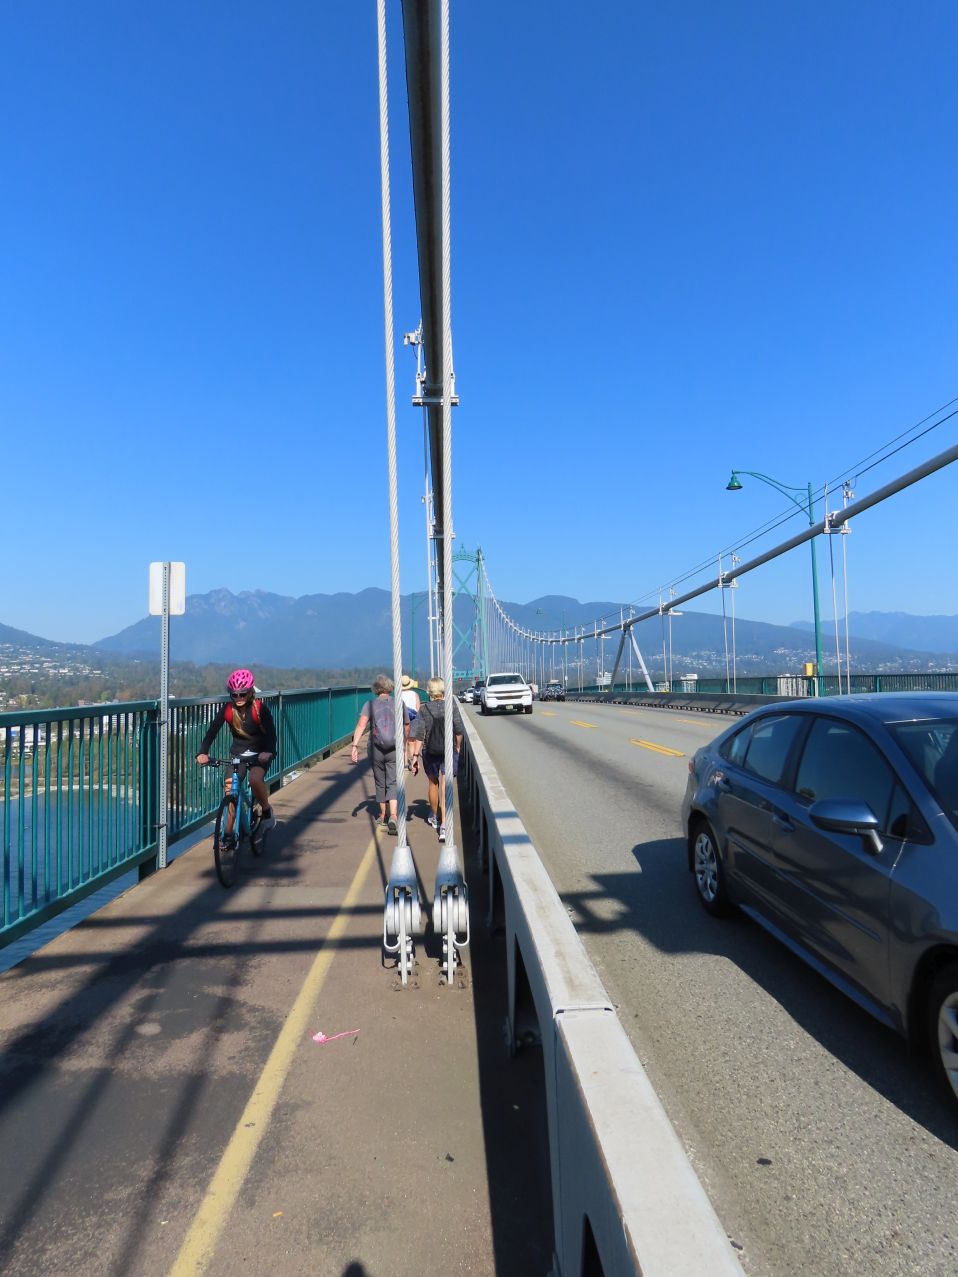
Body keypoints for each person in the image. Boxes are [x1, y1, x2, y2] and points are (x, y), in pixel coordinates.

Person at [196, 669, 277, 837]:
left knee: (255, 779)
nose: (239, 698)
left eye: (242, 694)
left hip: (260, 753)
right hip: (238, 754)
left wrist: (268, 752)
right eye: (234, 695)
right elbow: (212, 732)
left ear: (250, 693)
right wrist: (203, 752)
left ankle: (267, 810)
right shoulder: (227, 710)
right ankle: (228, 834)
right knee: (230, 788)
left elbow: (271, 734)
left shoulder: (260, 709)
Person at [350, 675, 410, 834]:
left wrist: (355, 746)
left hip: (376, 748)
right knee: (393, 780)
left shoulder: (369, 704)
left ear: (376, 689)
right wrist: (404, 745)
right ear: (390, 688)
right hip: (394, 747)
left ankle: (383, 815)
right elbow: (406, 725)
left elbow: (361, 725)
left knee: (380, 781)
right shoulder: (399, 703)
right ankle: (394, 816)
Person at [417, 676, 463, 842]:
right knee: (445, 785)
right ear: (443, 689)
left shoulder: (423, 709)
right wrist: (457, 747)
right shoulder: (451, 706)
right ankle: (444, 826)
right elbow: (458, 729)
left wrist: (414, 755)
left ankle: (434, 817)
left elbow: (418, 734)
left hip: (429, 751)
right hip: (448, 750)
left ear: (429, 691)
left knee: (433, 784)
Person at [401, 674, 423, 774]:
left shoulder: (398, 695)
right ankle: (414, 761)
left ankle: (405, 763)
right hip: (413, 720)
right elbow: (418, 709)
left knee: (403, 741)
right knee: (412, 741)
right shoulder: (415, 694)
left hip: (402, 719)